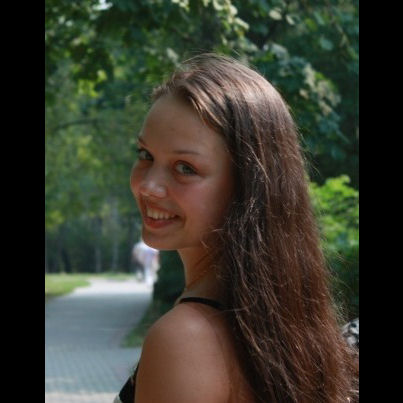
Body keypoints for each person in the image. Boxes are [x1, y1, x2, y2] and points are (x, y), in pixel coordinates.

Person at [115, 53, 358, 402]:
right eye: (145, 155)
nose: (149, 186)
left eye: (185, 168)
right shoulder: (292, 326)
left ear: (247, 187)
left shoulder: (185, 339)